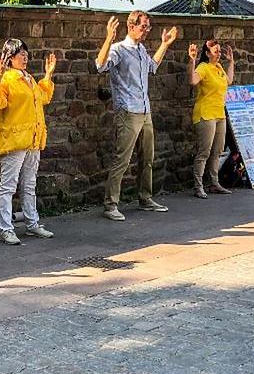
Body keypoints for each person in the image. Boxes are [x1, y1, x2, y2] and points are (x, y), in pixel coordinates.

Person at [95, 11, 178, 221]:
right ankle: (110, 204)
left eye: (148, 27)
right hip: (128, 111)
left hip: (144, 109)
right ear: (131, 26)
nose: (147, 31)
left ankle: (145, 198)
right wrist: (108, 38)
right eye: (144, 27)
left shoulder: (141, 49)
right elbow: (100, 65)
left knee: (147, 158)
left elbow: (152, 67)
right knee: (122, 159)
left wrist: (165, 45)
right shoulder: (118, 49)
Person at [0, 39, 57, 245]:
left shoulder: (29, 79)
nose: (25, 57)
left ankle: (32, 223)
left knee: (29, 184)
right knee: (8, 186)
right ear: (9, 58)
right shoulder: (6, 80)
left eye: (26, 54)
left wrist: (48, 74)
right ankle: (6, 228)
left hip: (32, 139)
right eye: (20, 54)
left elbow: (43, 97)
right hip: (14, 140)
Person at [189, 39, 235, 198]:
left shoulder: (218, 67)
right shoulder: (203, 67)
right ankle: (198, 185)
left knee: (217, 150)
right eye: (216, 52)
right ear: (208, 54)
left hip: (219, 114)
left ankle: (214, 183)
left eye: (219, 51)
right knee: (204, 151)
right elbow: (193, 80)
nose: (219, 54)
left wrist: (231, 62)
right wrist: (192, 60)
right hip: (205, 114)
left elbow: (229, 81)